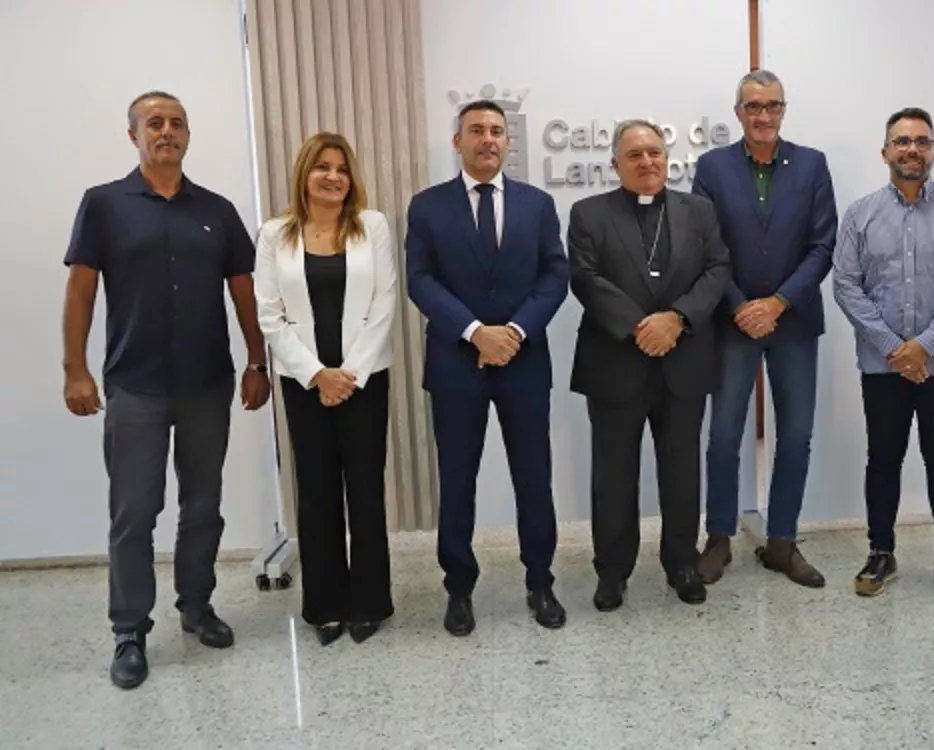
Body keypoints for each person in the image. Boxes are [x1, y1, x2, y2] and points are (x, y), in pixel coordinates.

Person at [61, 91, 270, 689]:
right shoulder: (104, 205)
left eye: (177, 123)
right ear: (133, 135)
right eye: (155, 123)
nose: (167, 131)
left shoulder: (218, 210)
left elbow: (243, 292)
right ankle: (129, 629)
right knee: (134, 512)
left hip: (208, 383)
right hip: (136, 387)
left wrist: (256, 361)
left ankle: (196, 606)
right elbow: (80, 291)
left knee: (202, 506)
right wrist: (74, 369)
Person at [405, 100, 569, 637]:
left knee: (533, 477)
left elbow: (554, 276)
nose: (488, 139)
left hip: (523, 360)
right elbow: (421, 280)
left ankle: (540, 581)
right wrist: (477, 332)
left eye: (497, 131)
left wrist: (514, 332)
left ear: (507, 141)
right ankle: (458, 589)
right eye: (476, 130)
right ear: (458, 142)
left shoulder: (538, 204)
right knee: (457, 479)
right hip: (457, 362)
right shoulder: (427, 207)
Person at [568, 119, 731, 611]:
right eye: (635, 155)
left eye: (655, 153)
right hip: (616, 362)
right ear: (616, 163)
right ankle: (612, 572)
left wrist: (677, 320)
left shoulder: (698, 211)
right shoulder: (588, 213)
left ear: (667, 159)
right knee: (613, 474)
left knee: (682, 472)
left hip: (683, 363)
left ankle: (682, 563)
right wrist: (643, 326)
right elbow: (585, 277)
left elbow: (718, 268)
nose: (647, 162)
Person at [832, 107, 934, 603]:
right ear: (885, 153)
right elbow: (844, 284)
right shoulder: (860, 214)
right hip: (883, 367)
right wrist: (894, 349)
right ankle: (881, 551)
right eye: (902, 141)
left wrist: (924, 346)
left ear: (933, 153)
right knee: (883, 459)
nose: (912, 150)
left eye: (922, 141)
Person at [692, 69, 837, 587]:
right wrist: (740, 307)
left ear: (783, 109)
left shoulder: (813, 165)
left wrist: (776, 303)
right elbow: (708, 246)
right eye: (753, 106)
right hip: (731, 323)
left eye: (772, 106)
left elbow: (823, 246)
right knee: (725, 434)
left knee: (795, 435)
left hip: (793, 321)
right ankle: (719, 538)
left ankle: (781, 541)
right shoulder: (712, 168)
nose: (763, 115)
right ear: (738, 113)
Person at [254, 132, 397, 644]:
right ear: (304, 174)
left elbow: (384, 303)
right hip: (304, 383)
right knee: (315, 494)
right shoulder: (275, 234)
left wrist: (348, 374)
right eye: (322, 167)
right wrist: (316, 374)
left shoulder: (371, 226)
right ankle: (326, 605)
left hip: (364, 380)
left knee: (364, 491)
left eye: (341, 167)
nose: (332, 176)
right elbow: (269, 314)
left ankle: (370, 602)